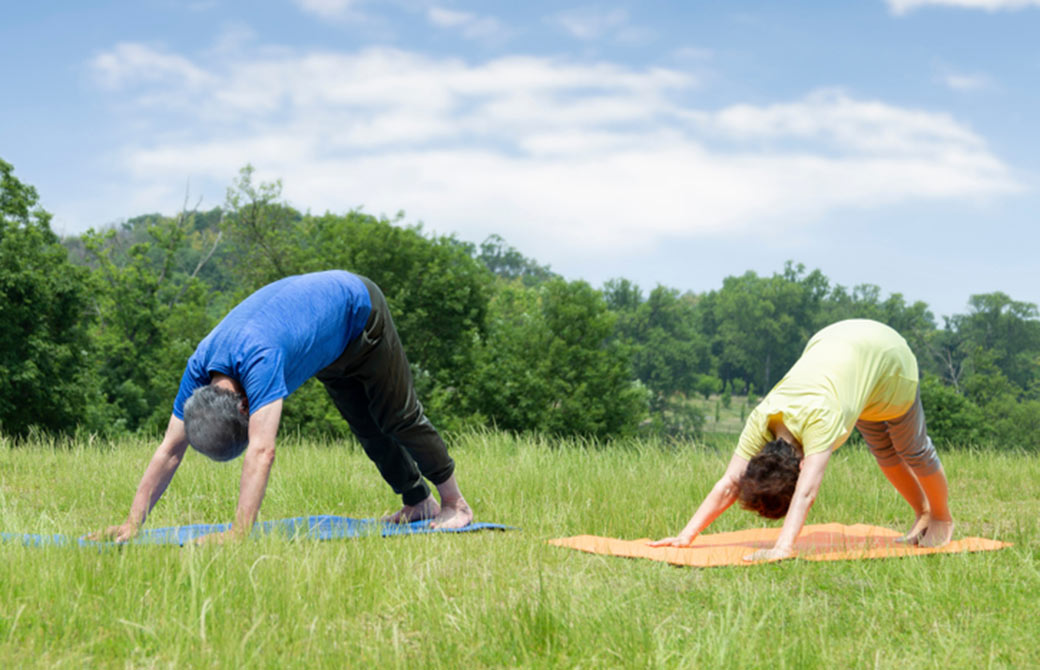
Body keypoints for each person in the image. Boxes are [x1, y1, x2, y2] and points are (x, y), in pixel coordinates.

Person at [95, 270, 473, 543]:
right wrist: (132, 524)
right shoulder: (199, 371)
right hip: (328, 342)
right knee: (367, 427)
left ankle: (455, 503)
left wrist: (238, 533)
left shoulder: (259, 360)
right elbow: (169, 451)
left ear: (244, 407)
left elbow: (262, 451)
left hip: (360, 315)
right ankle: (418, 502)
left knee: (397, 416)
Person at [650, 319, 953, 561]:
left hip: (889, 359)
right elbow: (731, 481)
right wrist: (686, 535)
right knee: (884, 450)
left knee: (911, 448)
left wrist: (783, 547)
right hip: (838, 344)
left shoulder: (820, 422)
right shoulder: (763, 418)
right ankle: (922, 512)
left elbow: (806, 493)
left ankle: (941, 517)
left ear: (802, 465)